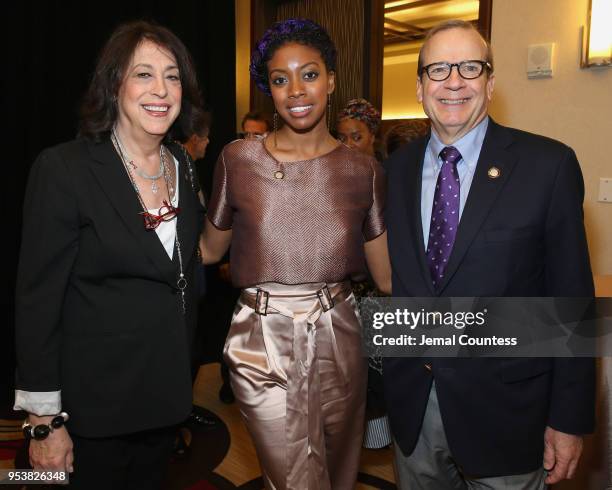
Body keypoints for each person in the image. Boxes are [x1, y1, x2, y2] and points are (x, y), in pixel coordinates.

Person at [384, 19, 595, 489]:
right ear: (419, 87)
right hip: (415, 408)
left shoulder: (549, 165)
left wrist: (569, 420)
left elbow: (572, 303)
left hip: (509, 415)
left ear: (491, 82)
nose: (453, 81)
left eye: (469, 67)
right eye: (437, 69)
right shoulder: (394, 171)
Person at [200, 18, 391, 490]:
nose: (296, 90)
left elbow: (388, 278)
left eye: (309, 74)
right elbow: (208, 249)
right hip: (260, 338)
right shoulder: (238, 159)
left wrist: (480, 321)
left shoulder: (363, 170)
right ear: (271, 89)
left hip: (341, 330)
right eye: (281, 79)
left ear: (330, 78)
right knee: (296, 479)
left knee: (340, 470)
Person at [14, 20, 206, 489]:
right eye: (143, 74)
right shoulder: (64, 169)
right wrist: (45, 424)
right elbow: (38, 304)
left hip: (163, 400)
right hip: (91, 415)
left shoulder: (181, 163)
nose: (161, 89)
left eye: (173, 75)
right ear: (114, 84)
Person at [336, 98, 392, 451]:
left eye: (355, 137)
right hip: (342, 293)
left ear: (373, 136)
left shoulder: (387, 178)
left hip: (378, 293)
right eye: (340, 137)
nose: (347, 145)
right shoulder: (331, 177)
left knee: (375, 380)